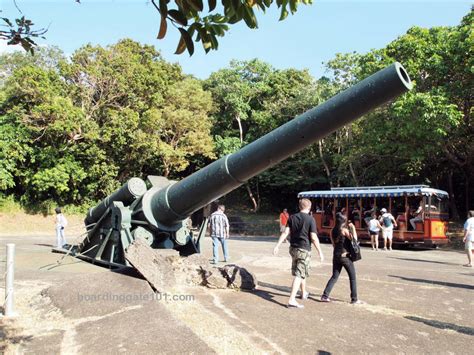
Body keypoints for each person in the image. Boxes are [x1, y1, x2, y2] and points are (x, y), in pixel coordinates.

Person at [273, 198, 324, 309]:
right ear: (309, 207)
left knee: (301, 271)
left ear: (299, 206)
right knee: (299, 274)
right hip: (304, 249)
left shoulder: (292, 217)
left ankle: (304, 292)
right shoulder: (311, 219)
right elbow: (314, 237)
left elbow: (286, 232)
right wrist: (320, 252)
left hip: (293, 249)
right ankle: (291, 299)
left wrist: (277, 245)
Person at [321, 212, 360, 304]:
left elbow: (334, 245)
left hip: (336, 255)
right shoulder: (344, 230)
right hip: (345, 256)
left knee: (334, 276)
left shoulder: (332, 231)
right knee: (352, 278)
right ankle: (354, 299)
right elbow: (354, 240)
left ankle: (325, 295)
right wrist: (353, 228)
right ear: (344, 221)